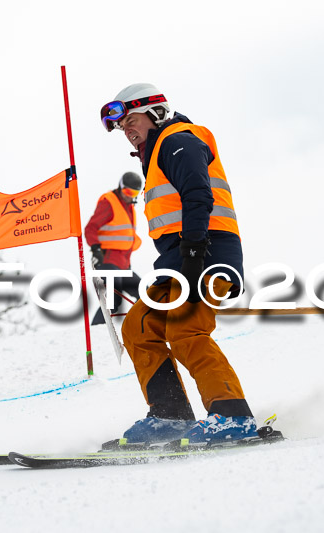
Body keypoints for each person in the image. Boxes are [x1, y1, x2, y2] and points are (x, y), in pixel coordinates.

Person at [100, 83, 256, 444]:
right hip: (178, 259)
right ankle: (169, 416)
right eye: (122, 127)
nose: (127, 131)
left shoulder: (178, 139)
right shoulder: (155, 154)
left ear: (155, 113)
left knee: (185, 329)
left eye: (131, 121)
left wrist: (194, 251)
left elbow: (199, 194)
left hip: (206, 254)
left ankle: (233, 416)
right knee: (139, 327)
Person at [84, 172, 143, 325]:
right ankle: (97, 330)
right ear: (121, 187)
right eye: (128, 192)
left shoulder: (129, 208)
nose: (130, 196)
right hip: (106, 260)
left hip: (122, 265)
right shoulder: (109, 202)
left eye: (135, 193)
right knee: (113, 298)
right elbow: (91, 228)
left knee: (145, 292)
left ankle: (141, 327)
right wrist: (96, 249)